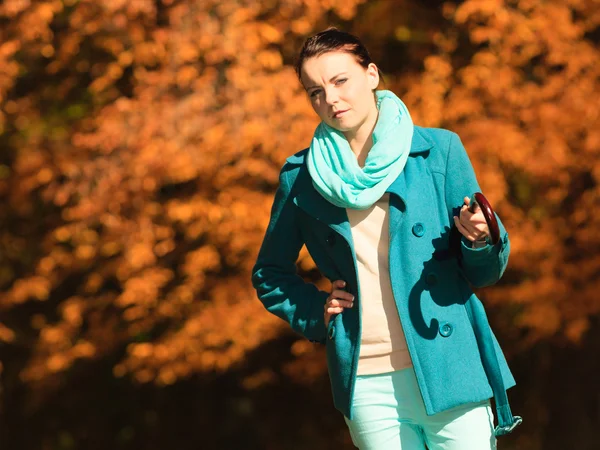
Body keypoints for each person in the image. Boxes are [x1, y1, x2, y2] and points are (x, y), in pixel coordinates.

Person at [251, 28, 522, 449]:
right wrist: (316, 312)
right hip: (367, 384)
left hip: (449, 368)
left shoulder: (438, 150)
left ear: (372, 74)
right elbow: (270, 273)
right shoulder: (301, 177)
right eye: (315, 91)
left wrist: (478, 240)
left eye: (341, 81)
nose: (331, 99)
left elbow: (485, 272)